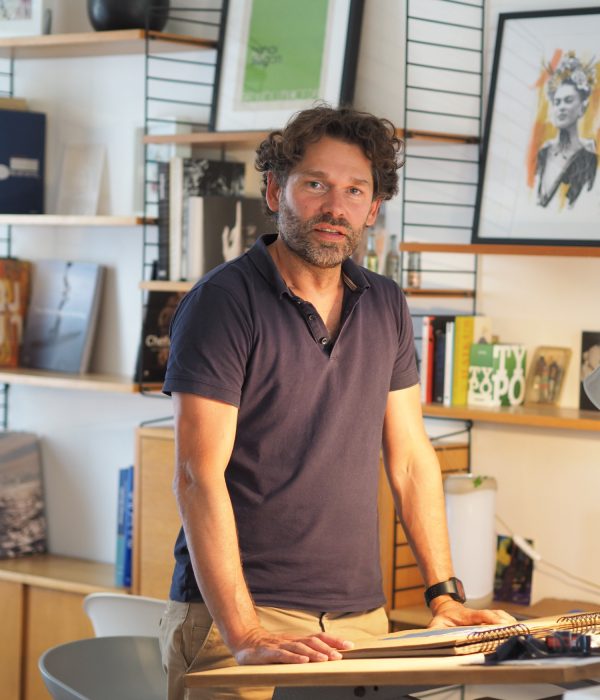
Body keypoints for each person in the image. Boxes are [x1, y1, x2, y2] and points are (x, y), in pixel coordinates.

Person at [159, 104, 515, 700]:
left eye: (355, 190)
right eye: (316, 184)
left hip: (361, 621)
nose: (336, 207)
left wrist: (443, 596)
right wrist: (246, 633)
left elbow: (411, 461)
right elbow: (197, 476)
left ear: (373, 208)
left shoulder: (386, 303)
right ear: (275, 189)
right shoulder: (223, 303)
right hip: (241, 618)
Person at [536, 52, 597, 208]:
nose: (561, 107)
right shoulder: (543, 153)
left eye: (568, 100)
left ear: (582, 108)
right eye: (557, 102)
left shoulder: (589, 159)